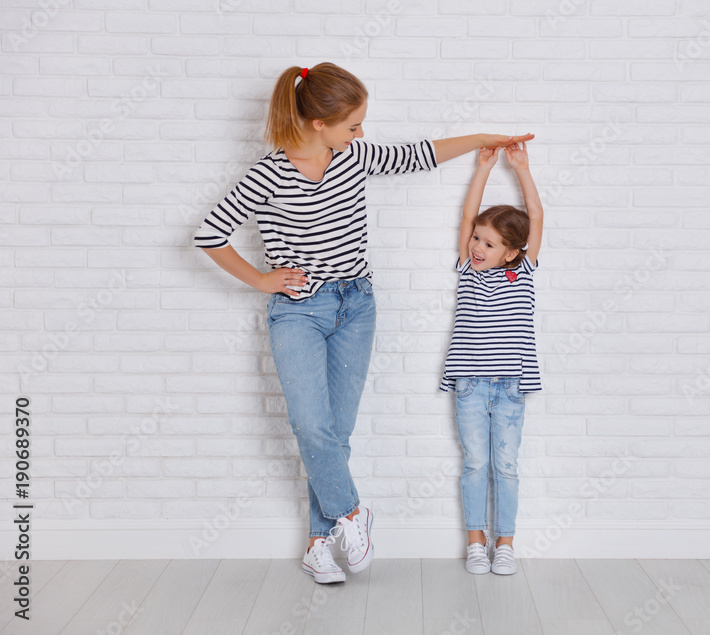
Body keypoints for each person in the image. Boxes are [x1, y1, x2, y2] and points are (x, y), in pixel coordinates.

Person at [194, 62, 533, 584]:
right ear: (316, 124)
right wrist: (263, 280)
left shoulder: (353, 157)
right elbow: (209, 235)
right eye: (353, 125)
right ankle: (352, 513)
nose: (361, 134)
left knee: (335, 433)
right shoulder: (267, 174)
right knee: (312, 425)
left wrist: (483, 142)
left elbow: (419, 154)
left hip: (357, 305)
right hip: (298, 311)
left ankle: (317, 544)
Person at [439, 141, 543, 575]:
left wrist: (521, 168)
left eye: (490, 243)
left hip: (510, 386)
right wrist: (484, 167)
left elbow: (536, 217)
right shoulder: (467, 267)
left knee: (506, 465)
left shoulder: (525, 271)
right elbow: (467, 216)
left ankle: (505, 542)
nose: (478, 247)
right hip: (469, 383)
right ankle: (476, 541)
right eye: (478, 239)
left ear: (512, 252)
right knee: (476, 463)